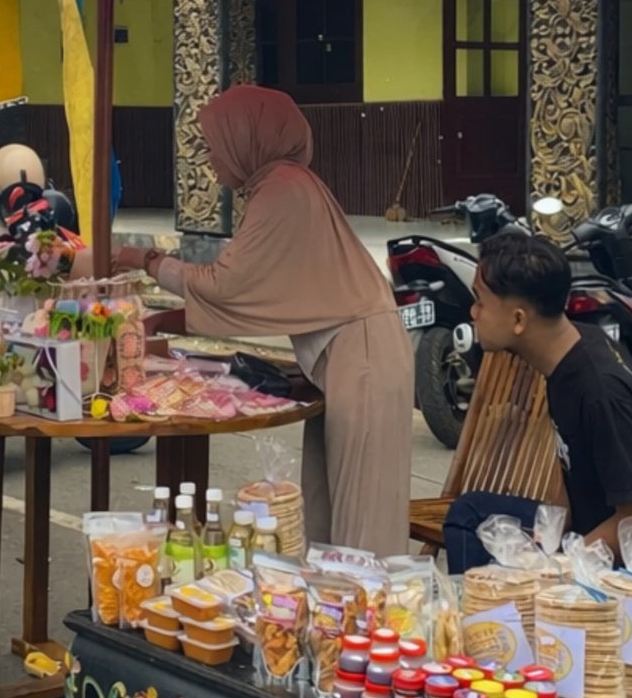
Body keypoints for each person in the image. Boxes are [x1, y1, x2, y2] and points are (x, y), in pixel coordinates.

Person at [114, 85, 412, 556]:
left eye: (215, 145)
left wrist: (142, 258)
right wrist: (162, 320)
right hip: (349, 356)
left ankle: (367, 625)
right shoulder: (282, 185)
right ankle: (337, 619)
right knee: (329, 516)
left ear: (244, 138)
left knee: (362, 530)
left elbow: (224, 284)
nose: (211, 161)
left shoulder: (283, 189)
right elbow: (251, 293)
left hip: (363, 358)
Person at [443, 233, 632, 626]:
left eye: (481, 302)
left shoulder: (601, 392)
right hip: (597, 536)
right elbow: (569, 459)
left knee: (482, 539)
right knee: (471, 513)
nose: (473, 312)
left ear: (519, 319)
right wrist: (550, 534)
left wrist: (551, 568)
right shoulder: (573, 347)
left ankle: (488, 643)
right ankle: (489, 633)